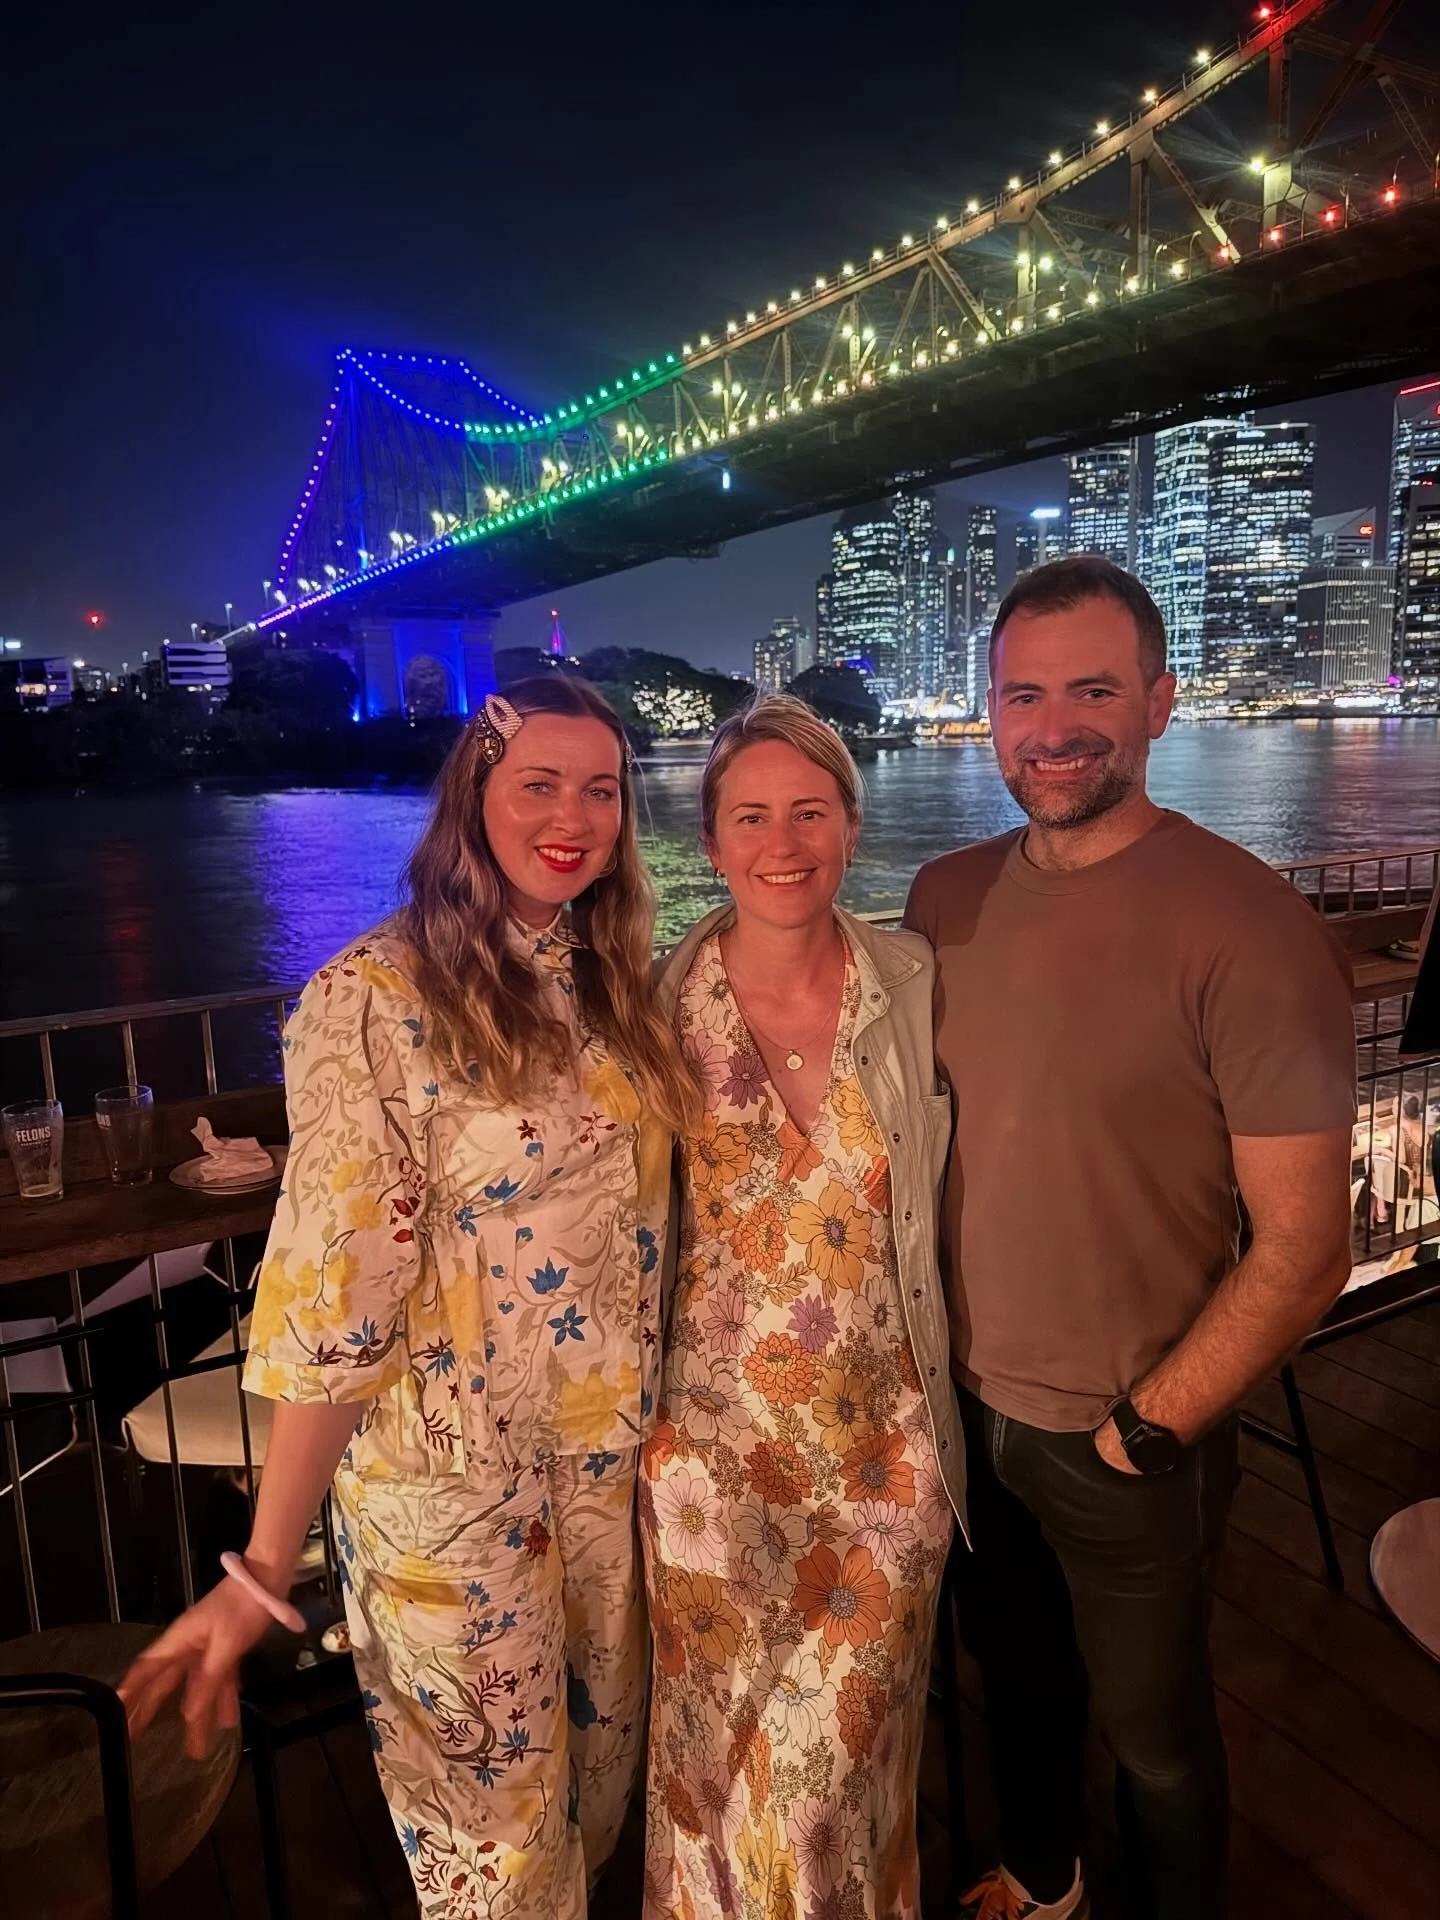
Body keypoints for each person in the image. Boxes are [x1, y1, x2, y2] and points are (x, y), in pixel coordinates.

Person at [120, 675, 697, 1920]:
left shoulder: (608, 986)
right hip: (449, 1502)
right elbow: (336, 1306)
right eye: (537, 782)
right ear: (472, 796)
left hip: (604, 1476)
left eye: (601, 787)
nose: (575, 814)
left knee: (593, 1806)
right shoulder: (371, 1001)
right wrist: (265, 1563)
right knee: (495, 1858)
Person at [904, 558, 1356, 1920]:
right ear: (987, 712)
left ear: (1161, 702)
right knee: (1018, 1688)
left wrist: (1149, 1430)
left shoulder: (1253, 925)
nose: (1053, 727)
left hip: (1128, 1430)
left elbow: (1306, 1246)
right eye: (1022, 694)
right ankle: (1045, 1880)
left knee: (1159, 1748)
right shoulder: (939, 899)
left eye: (1093, 690)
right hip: (959, 1408)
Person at [642, 695, 966, 1920]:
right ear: (712, 843)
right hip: (709, 1478)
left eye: (810, 812)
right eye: (751, 817)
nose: (783, 843)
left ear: (851, 823)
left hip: (887, 1465)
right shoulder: (651, 1012)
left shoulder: (916, 981)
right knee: (712, 1787)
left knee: (836, 1788)